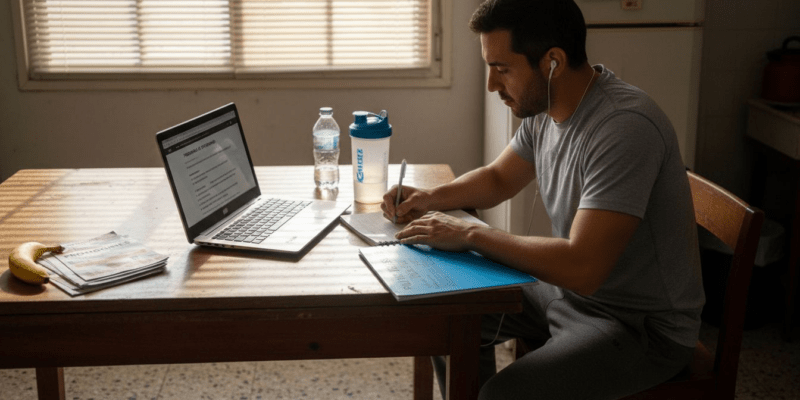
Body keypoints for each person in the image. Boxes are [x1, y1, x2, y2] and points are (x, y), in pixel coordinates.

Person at [380, 0, 705, 399]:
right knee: (446, 317)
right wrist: (430, 197)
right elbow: (499, 178)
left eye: (502, 69)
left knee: (501, 396)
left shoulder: (624, 127)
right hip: (566, 293)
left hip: (637, 325)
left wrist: (469, 234)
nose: (492, 85)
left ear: (553, 62)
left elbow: (584, 268)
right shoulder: (545, 107)